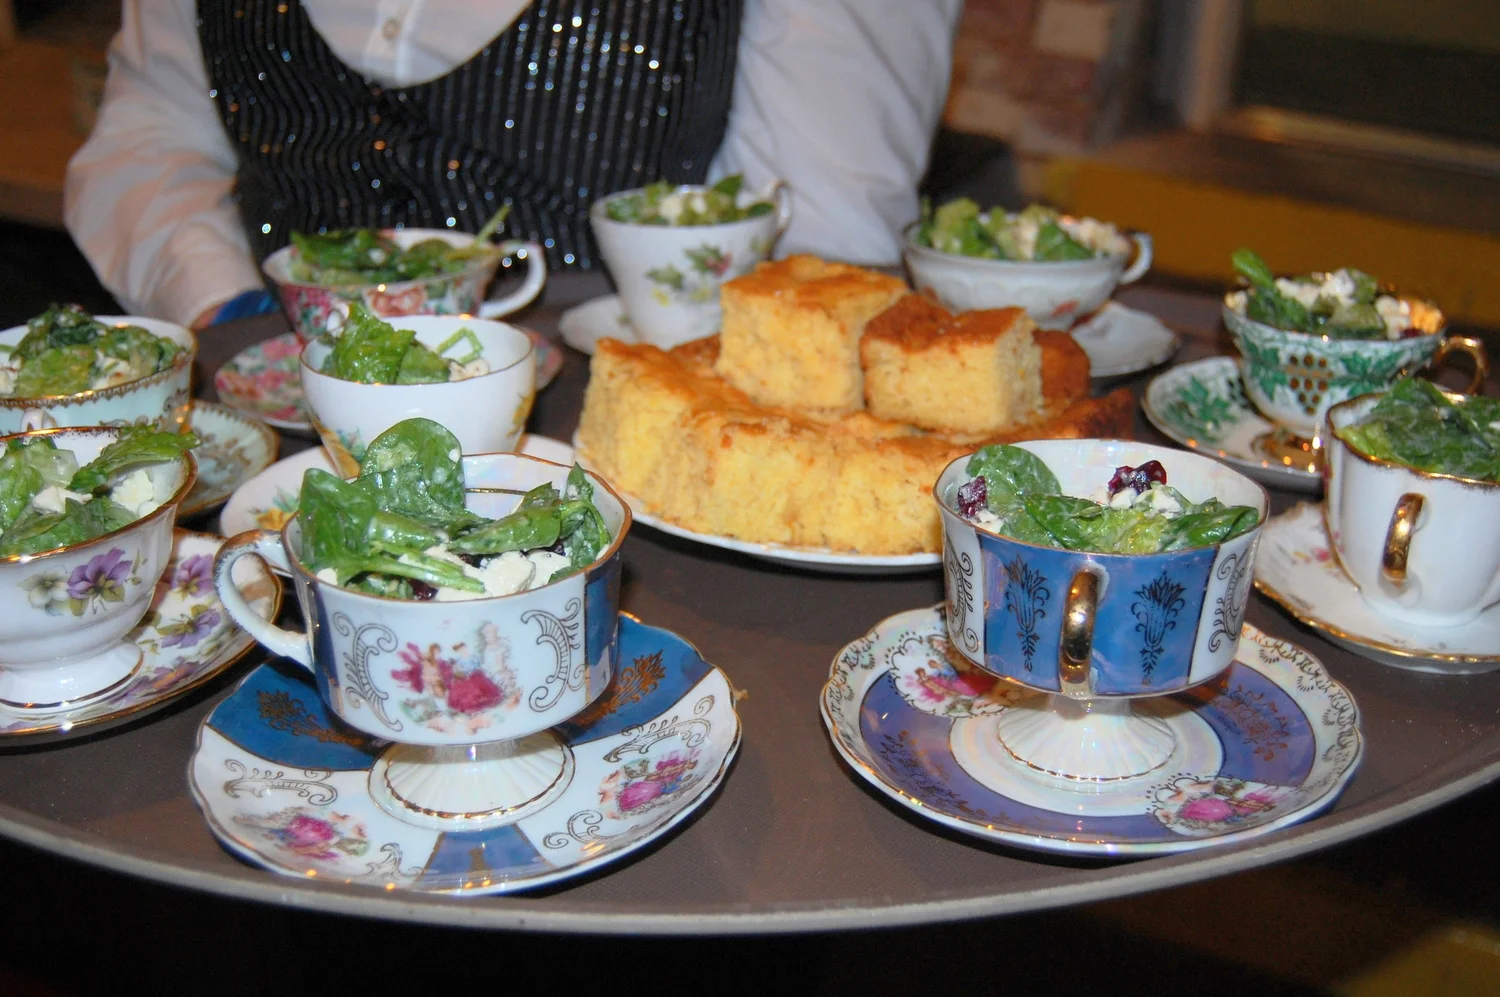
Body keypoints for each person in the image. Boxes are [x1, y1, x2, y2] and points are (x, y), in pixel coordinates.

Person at [65, 1, 962, 330]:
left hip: (603, 466)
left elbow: (824, 246)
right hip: (278, 426)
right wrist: (225, 311)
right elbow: (151, 133)